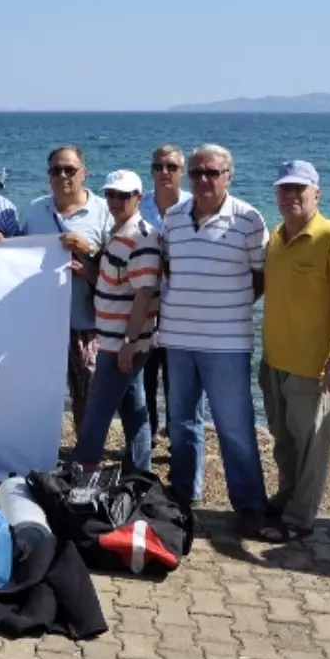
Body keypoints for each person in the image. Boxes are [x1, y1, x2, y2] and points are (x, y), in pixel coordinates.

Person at [158, 144, 268, 534]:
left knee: (234, 425)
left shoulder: (249, 220)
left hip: (227, 342)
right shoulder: (172, 218)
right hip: (178, 337)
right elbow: (170, 267)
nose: (204, 179)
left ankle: (251, 505)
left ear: (228, 177)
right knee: (182, 422)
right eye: (197, 172)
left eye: (213, 173)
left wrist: (230, 305)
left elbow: (262, 276)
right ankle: (184, 494)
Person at [259, 160, 330, 542]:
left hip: (313, 367)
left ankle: (300, 519)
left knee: (310, 448)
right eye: (284, 189)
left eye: (298, 189)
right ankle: (287, 498)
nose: (290, 196)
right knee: (284, 442)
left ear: (316, 194)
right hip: (274, 361)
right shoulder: (276, 236)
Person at [71, 171, 160, 473]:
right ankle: (139, 473)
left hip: (122, 342)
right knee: (134, 411)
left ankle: (81, 472)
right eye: (111, 194)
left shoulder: (141, 237)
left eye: (125, 195)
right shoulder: (118, 231)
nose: (116, 201)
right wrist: (88, 274)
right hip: (113, 338)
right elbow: (120, 283)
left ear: (139, 197)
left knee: (98, 412)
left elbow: (145, 294)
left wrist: (129, 344)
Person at [21, 145, 113, 432]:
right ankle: (37, 451)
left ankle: (85, 459)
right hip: (42, 324)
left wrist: (89, 253)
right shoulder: (36, 211)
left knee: (87, 394)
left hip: (85, 322)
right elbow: (17, 259)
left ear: (84, 173)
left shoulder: (103, 212)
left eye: (70, 170)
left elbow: (120, 267)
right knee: (37, 396)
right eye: (56, 170)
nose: (63, 175)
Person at [139, 144, 194, 440]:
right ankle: (143, 445)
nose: (164, 172)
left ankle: (178, 445)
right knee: (143, 383)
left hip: (180, 312)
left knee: (178, 385)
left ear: (182, 172)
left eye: (171, 167)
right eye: (159, 167)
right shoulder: (138, 206)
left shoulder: (194, 207)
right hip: (144, 311)